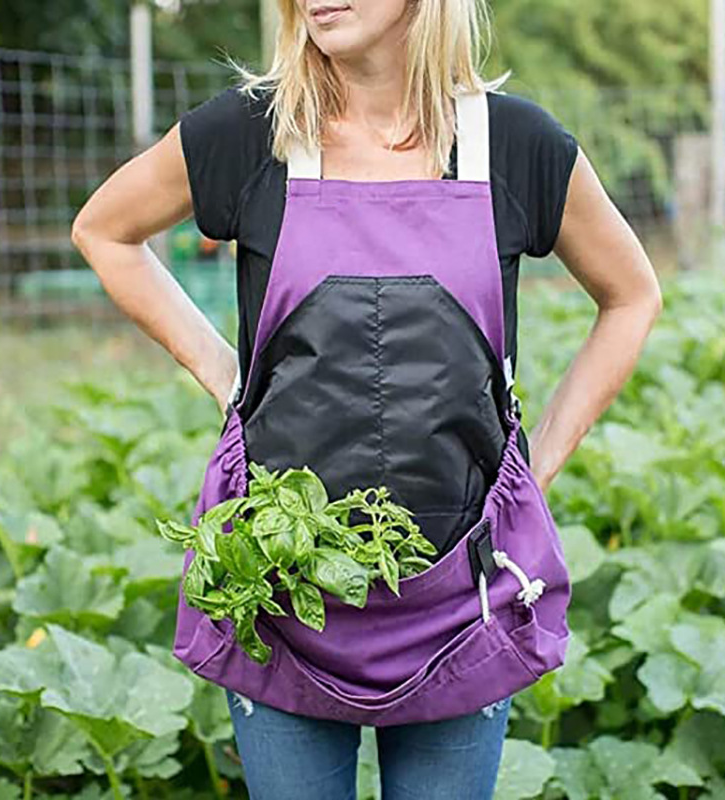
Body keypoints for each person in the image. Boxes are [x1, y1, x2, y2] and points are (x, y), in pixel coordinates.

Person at [71, 1, 662, 797]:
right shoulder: (254, 135)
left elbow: (632, 296)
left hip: (460, 606)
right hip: (282, 597)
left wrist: (533, 472)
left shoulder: (514, 147)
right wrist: (226, 378)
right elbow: (105, 231)